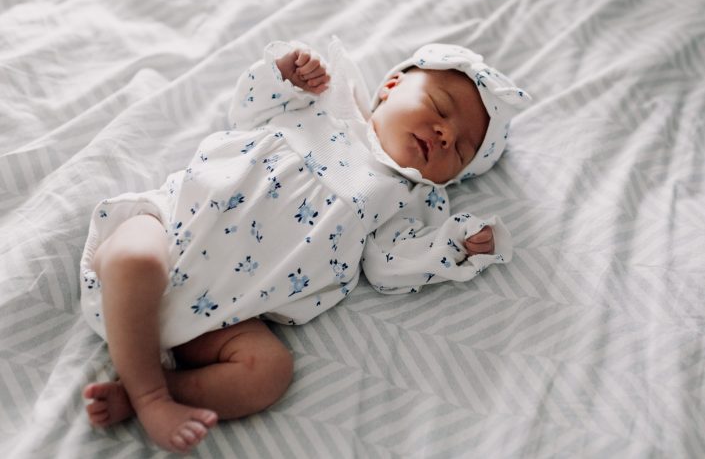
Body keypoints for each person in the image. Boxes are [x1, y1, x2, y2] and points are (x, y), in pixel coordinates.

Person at [79, 38, 531, 453]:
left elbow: (390, 265)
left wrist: (455, 245)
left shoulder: (409, 200)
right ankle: (150, 396)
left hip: (224, 317)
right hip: (171, 228)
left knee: (269, 372)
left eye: (462, 149)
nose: (445, 134)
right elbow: (248, 110)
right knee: (135, 259)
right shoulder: (323, 106)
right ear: (391, 87)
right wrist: (284, 73)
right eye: (438, 107)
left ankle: (151, 389)